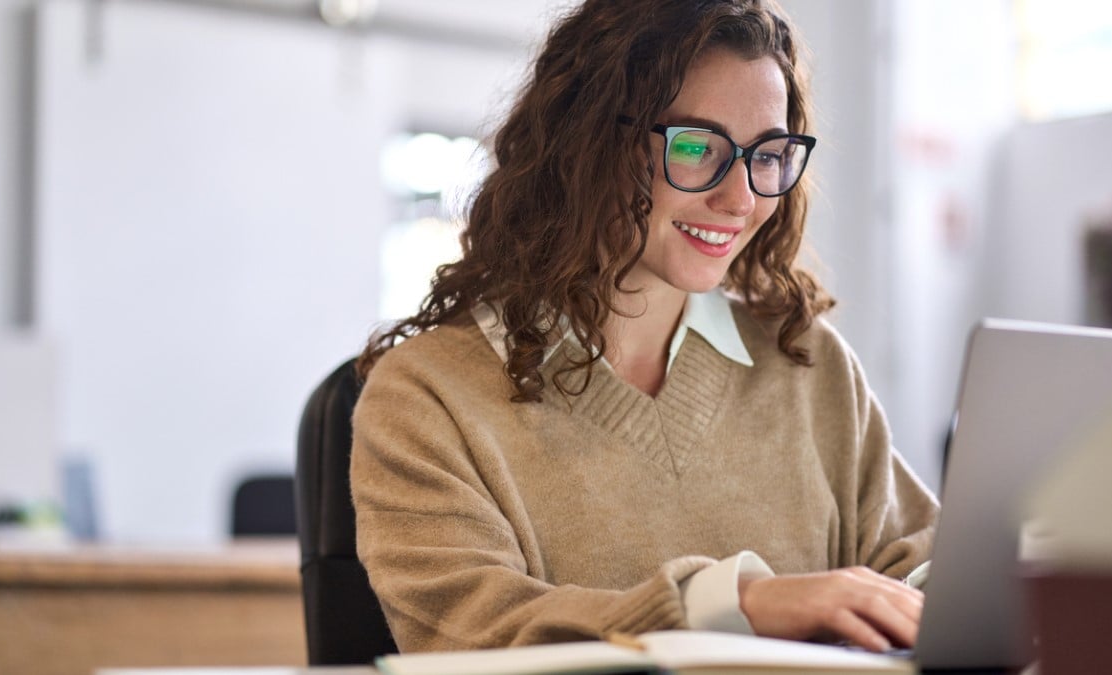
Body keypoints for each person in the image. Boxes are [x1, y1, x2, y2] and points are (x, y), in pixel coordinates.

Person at [351, 0, 938, 655]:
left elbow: (918, 564)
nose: (741, 199)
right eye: (695, 146)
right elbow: (473, 633)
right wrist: (733, 604)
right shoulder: (426, 397)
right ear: (585, 142)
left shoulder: (808, 363)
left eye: (768, 154)